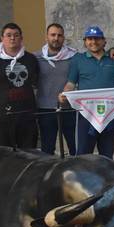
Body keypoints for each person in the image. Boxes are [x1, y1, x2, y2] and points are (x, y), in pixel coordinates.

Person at [60, 26, 114, 158]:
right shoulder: (77, 60)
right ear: (85, 42)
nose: (93, 42)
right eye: (90, 39)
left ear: (104, 41)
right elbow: (70, 84)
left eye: (97, 39)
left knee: (107, 155)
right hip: (85, 114)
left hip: (109, 113)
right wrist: (64, 94)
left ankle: (106, 179)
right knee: (83, 155)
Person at [0, 22, 39, 148]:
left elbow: (35, 85)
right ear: (2, 38)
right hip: (1, 117)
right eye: (8, 35)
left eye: (16, 35)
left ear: (21, 38)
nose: (12, 38)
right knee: (4, 156)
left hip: (26, 117)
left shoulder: (31, 59)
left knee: (29, 154)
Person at [34, 23, 77, 155]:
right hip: (45, 109)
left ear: (63, 38)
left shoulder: (74, 57)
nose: (56, 38)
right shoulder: (35, 58)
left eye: (59, 35)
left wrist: (111, 50)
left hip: (69, 108)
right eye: (53, 35)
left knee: (75, 148)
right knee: (47, 149)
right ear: (46, 37)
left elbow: (92, 56)